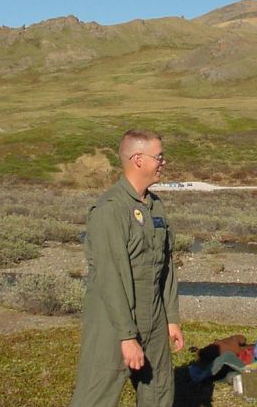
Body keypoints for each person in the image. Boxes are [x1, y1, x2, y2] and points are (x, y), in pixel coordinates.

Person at [70, 129, 184, 407]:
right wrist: (126, 336)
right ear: (137, 159)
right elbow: (110, 278)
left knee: (159, 392)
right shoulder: (110, 210)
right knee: (97, 395)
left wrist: (171, 318)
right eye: (159, 157)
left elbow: (165, 265)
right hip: (113, 320)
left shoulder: (155, 207)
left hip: (154, 315)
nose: (163, 162)